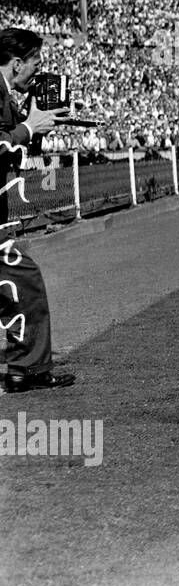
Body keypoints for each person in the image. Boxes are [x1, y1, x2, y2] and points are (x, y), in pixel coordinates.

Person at [0, 28, 75, 392]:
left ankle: (25, 368)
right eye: (35, 64)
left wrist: (36, 124)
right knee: (24, 281)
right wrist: (29, 127)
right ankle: (27, 368)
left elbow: (17, 148)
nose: (37, 72)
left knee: (20, 283)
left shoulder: (6, 94)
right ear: (17, 63)